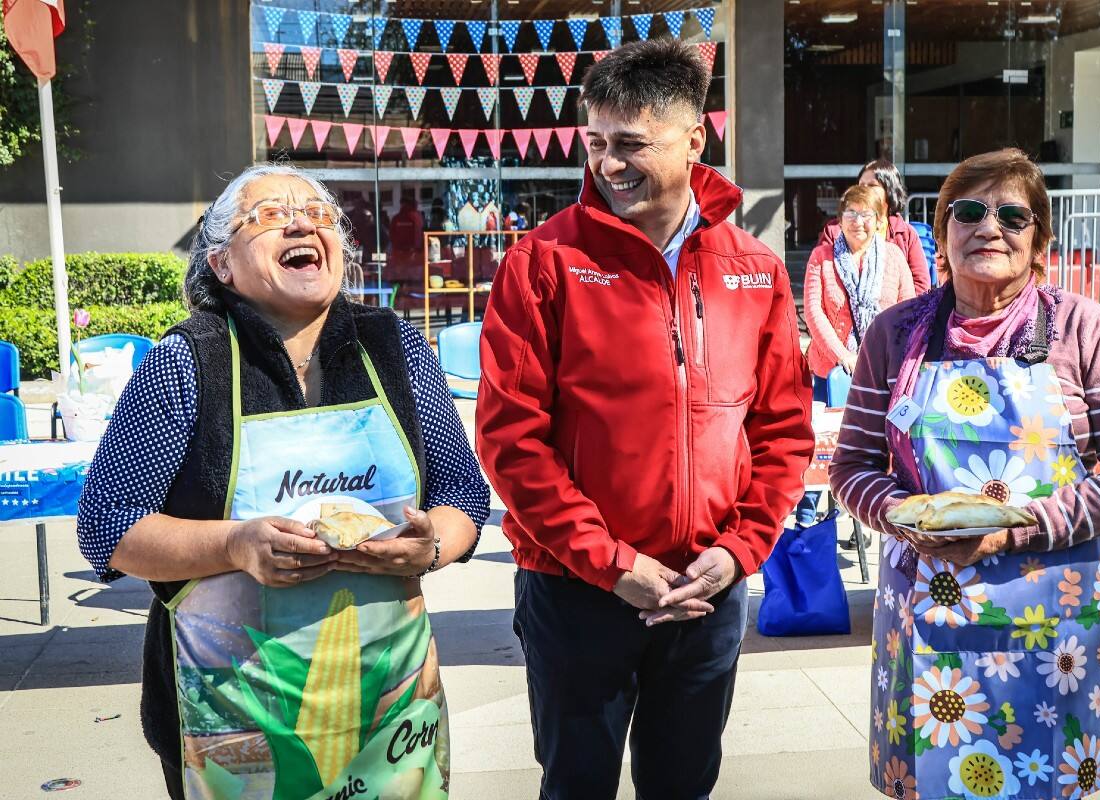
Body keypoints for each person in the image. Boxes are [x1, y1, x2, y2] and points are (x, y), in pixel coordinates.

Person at [76, 164, 490, 800]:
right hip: (237, 716)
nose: (302, 222)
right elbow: (108, 528)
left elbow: (463, 494)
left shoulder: (397, 346)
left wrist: (433, 546)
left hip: (390, 708)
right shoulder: (188, 361)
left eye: (319, 214)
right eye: (270, 216)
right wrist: (235, 545)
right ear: (220, 265)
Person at [476, 39, 814, 800]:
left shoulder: (753, 268)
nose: (608, 163)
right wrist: (610, 562)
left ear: (695, 140)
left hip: (706, 588)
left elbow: (783, 429)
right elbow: (510, 440)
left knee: (683, 787)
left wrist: (741, 551)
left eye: (632, 144)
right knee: (577, 788)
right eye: (595, 142)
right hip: (577, 590)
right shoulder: (542, 262)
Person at [829, 149, 1100, 799]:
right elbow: (852, 466)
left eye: (1013, 215)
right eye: (969, 211)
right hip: (924, 623)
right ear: (942, 229)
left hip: (1049, 634)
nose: (990, 226)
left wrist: (1015, 528)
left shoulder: (1081, 329)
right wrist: (904, 514)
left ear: (1040, 240)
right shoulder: (895, 335)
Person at [797, 184, 915, 526]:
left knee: (876, 450)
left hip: (882, 373)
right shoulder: (822, 256)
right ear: (840, 217)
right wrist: (843, 355)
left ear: (879, 220)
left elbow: (908, 310)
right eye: (851, 213)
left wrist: (880, 357)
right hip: (828, 370)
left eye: (867, 215)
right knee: (820, 452)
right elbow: (814, 311)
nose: (858, 222)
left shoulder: (893, 256)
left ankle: (867, 520)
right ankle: (807, 524)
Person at [818, 159, 931, 294]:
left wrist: (900, 313)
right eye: (861, 185)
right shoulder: (835, 230)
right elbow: (820, 278)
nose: (863, 191)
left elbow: (920, 285)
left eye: (871, 185)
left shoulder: (906, 234)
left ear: (889, 191)